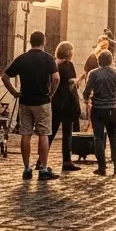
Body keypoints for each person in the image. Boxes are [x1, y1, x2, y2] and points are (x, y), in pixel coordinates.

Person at [2, 31, 61, 180]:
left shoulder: (22, 58)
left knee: (25, 134)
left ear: (30, 41)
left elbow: (5, 77)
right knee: (43, 134)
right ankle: (43, 169)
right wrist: (51, 94)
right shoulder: (48, 58)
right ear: (44, 42)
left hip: (25, 101)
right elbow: (56, 78)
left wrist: (15, 92)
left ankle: (27, 168)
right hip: (42, 101)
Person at [81, 50, 116, 176]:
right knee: (114, 136)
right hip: (112, 108)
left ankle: (101, 167)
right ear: (111, 60)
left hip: (97, 108)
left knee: (98, 138)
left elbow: (86, 91)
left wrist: (86, 100)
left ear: (98, 61)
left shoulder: (93, 73)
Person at [48, 41, 82, 172]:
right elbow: (70, 81)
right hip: (64, 102)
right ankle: (64, 160)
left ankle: (46, 159)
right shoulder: (64, 65)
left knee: (58, 131)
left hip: (61, 102)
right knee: (60, 131)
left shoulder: (59, 64)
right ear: (68, 53)